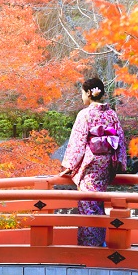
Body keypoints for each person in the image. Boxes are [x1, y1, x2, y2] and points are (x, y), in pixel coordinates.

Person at [58, 77, 126, 246]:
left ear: (89, 93)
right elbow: (120, 140)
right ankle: (99, 242)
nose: (82, 97)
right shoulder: (112, 114)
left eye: (82, 93)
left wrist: (69, 166)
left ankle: (91, 247)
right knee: (97, 203)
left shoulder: (85, 114)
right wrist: (119, 163)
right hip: (106, 164)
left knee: (88, 204)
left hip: (91, 165)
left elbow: (78, 142)